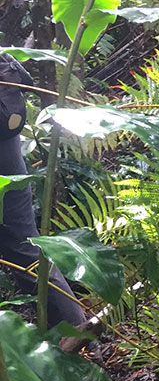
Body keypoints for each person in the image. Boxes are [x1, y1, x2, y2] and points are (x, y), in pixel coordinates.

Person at [0, 54, 85, 328]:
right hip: (11, 166)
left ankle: (74, 337)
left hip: (7, 170)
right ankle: (75, 332)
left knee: (23, 247)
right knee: (25, 247)